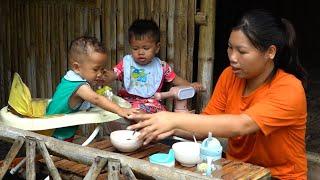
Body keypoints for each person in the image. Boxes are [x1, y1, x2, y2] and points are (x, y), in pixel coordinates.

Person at [127, 10, 308, 179]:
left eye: (242, 51)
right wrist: (163, 127)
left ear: (270, 52)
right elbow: (207, 125)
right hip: (234, 171)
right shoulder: (230, 76)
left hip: (278, 176)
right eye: (230, 48)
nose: (232, 57)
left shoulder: (289, 88)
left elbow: (242, 125)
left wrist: (173, 119)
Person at [46, 36, 138, 141]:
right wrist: (120, 110)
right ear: (77, 67)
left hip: (58, 130)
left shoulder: (70, 78)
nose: (100, 74)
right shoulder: (79, 87)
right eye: (95, 69)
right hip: (54, 134)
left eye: (102, 69)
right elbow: (96, 99)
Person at [103, 19, 204, 113]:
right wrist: (104, 76)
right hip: (127, 104)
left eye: (146, 48)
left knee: (162, 116)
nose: (140, 52)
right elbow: (114, 73)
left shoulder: (161, 67)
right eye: (135, 48)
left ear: (157, 48)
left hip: (151, 104)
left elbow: (176, 80)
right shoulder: (127, 63)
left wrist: (190, 85)